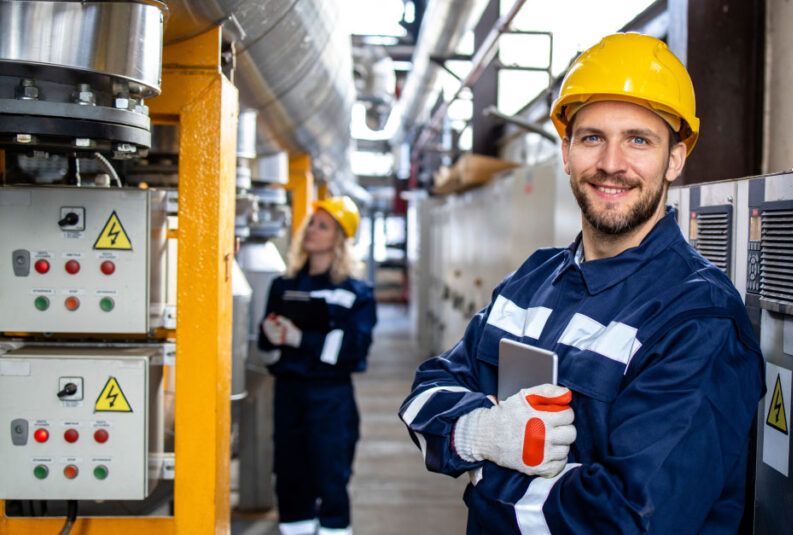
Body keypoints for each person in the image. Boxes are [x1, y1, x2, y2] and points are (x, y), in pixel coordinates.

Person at [399, 33, 765, 534]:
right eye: (592, 137)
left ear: (675, 159)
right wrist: (483, 434)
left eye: (639, 139)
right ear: (567, 151)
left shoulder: (698, 319)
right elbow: (424, 396)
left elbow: (628, 519)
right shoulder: (533, 282)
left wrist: (483, 480)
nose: (612, 163)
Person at [258, 196, 377, 535]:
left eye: (323, 226)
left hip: (330, 399)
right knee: (290, 478)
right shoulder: (284, 284)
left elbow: (354, 350)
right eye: (312, 222)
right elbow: (266, 346)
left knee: (331, 477)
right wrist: (270, 334)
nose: (311, 230)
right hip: (288, 395)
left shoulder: (356, 292)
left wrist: (301, 340)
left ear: (339, 238)